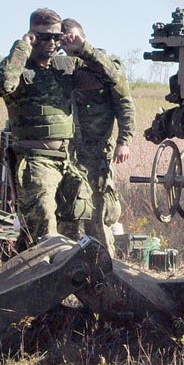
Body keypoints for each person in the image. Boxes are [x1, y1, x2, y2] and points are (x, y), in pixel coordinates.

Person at [0, 8, 122, 252]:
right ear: (32, 36)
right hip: (37, 163)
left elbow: (114, 78)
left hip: (68, 162)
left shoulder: (65, 67)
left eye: (56, 37)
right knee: (43, 237)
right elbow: (2, 83)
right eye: (44, 37)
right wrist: (21, 47)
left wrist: (84, 48)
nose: (51, 43)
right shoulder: (20, 68)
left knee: (70, 232)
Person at [60, 18, 136, 258]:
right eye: (64, 38)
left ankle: (105, 269)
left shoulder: (105, 64)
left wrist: (124, 140)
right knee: (68, 210)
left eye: (71, 36)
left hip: (97, 150)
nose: (68, 41)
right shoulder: (61, 66)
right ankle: (68, 266)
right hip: (68, 152)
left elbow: (124, 103)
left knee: (99, 212)